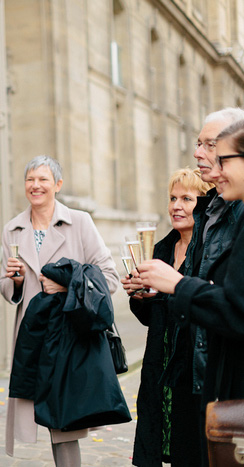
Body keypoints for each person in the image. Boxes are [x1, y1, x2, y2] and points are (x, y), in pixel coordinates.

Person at [0, 155, 119, 466]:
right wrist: (13, 281)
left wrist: (66, 286)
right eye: (30, 179)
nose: (35, 186)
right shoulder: (12, 229)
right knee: (47, 414)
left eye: (43, 179)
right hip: (33, 334)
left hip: (69, 336)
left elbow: (108, 277)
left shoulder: (79, 222)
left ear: (58, 184)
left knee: (65, 422)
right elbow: (6, 288)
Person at [138, 118, 244, 456]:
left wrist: (178, 285)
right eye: (172, 198)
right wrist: (147, 295)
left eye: (218, 153)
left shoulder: (230, 216)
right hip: (182, 366)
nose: (208, 163)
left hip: (212, 370)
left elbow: (233, 307)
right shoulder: (170, 243)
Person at [122, 168, 212, 466]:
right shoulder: (160, 248)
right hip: (158, 365)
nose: (176, 206)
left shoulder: (209, 251)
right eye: (172, 198)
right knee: (157, 440)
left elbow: (208, 305)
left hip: (192, 366)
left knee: (189, 448)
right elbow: (151, 317)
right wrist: (138, 295)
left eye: (187, 198)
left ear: (204, 203)